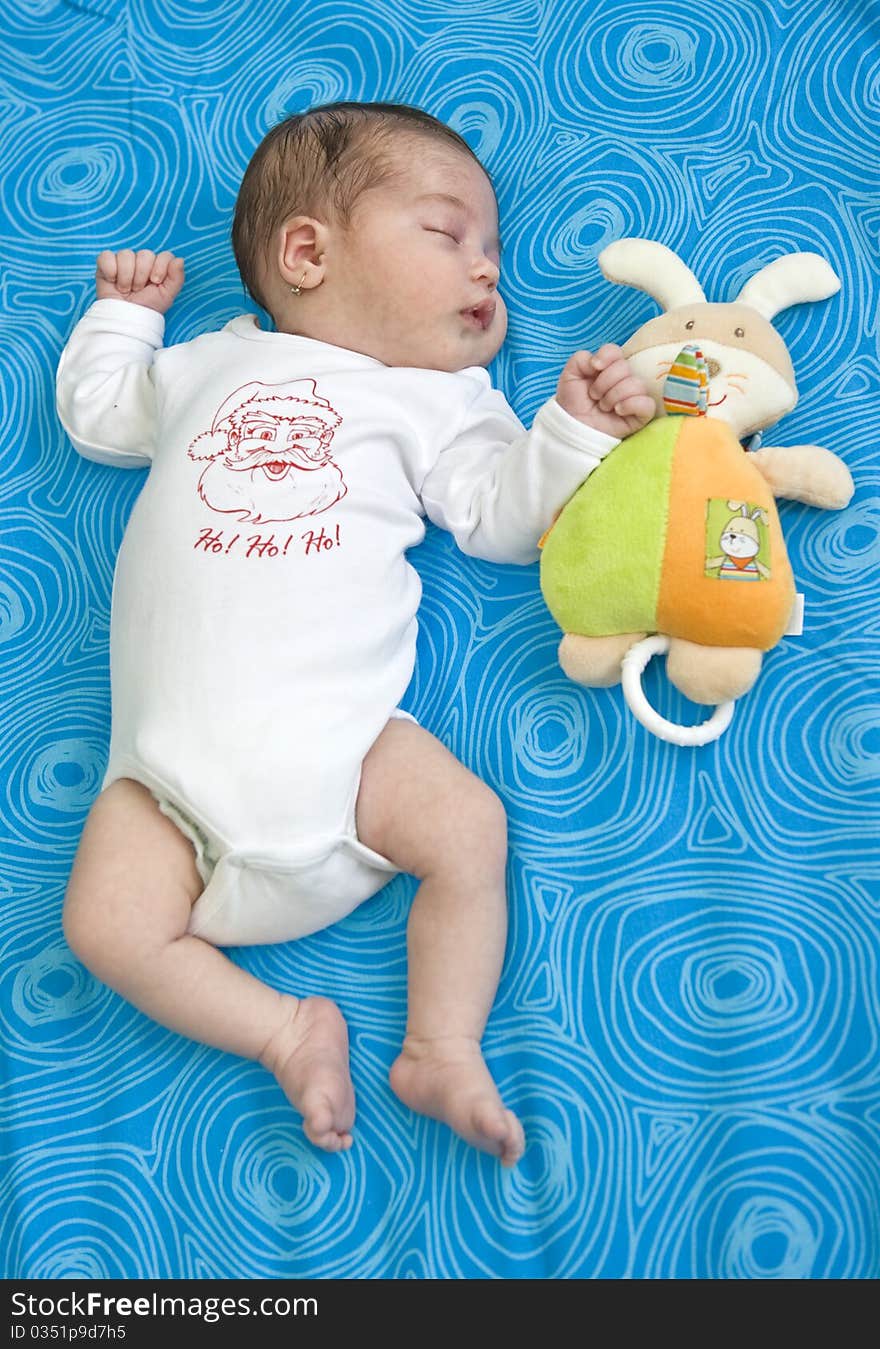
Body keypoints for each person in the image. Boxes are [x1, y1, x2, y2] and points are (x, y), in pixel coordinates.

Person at [56, 102, 654, 1167]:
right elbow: (101, 417)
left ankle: (441, 1043)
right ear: (306, 252)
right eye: (446, 234)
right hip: (168, 791)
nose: (486, 272)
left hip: (350, 758)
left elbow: (500, 518)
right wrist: (123, 317)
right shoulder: (203, 366)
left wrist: (570, 431)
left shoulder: (435, 400)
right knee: (104, 925)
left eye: (495, 254)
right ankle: (285, 1031)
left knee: (468, 827)